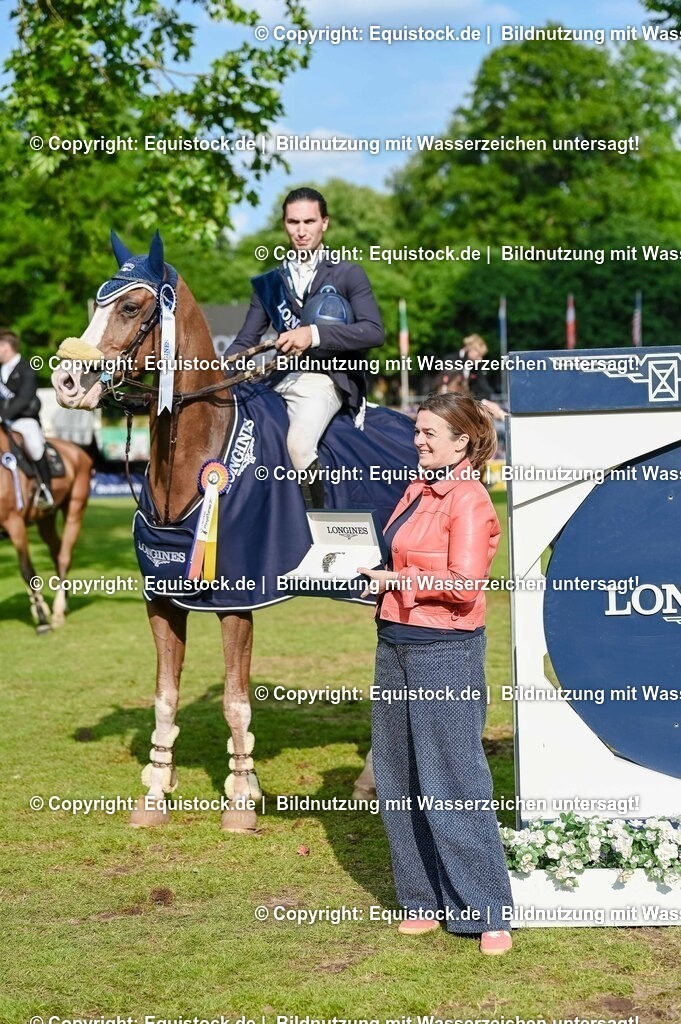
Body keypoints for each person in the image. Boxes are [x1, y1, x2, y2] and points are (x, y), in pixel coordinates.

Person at [359, 393, 513, 955]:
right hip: (394, 643)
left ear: (462, 443)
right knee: (398, 779)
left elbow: (464, 585)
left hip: (444, 651)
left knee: (453, 780)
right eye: (418, 431)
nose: (419, 440)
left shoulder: (469, 500)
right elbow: (403, 560)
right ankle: (423, 899)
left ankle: (489, 911)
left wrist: (395, 583)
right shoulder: (416, 488)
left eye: (429, 433)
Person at [225, 186, 384, 507]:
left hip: (326, 380)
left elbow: (373, 332)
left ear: (324, 223)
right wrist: (216, 369)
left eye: (309, 222)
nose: (301, 231)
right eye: (293, 222)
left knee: (298, 445)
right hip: (277, 379)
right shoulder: (269, 283)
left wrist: (313, 334)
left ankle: (317, 526)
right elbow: (245, 340)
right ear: (284, 224)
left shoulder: (348, 272)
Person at [0, 329, 54, 510]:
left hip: (24, 420)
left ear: (5, 347)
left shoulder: (27, 368)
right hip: (3, 422)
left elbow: (24, 398)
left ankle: (46, 489)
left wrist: (2, 416)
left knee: (35, 446)